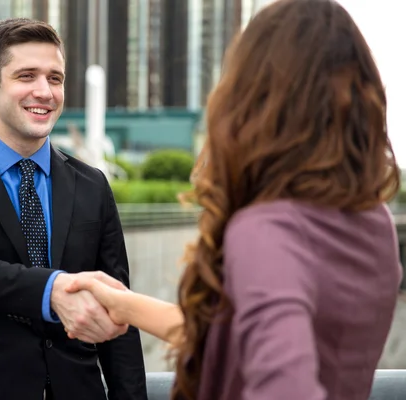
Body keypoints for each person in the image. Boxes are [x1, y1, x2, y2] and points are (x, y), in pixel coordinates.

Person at [65, 1, 404, 399]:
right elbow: (241, 338)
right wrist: (122, 305)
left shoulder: (266, 230)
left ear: (252, 99)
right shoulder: (374, 223)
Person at [0, 18, 148, 400]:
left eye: (55, 78)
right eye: (26, 76)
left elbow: (119, 314)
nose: (44, 91)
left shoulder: (92, 184)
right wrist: (52, 292)